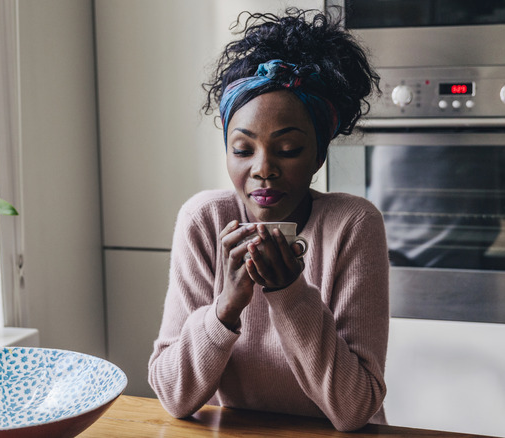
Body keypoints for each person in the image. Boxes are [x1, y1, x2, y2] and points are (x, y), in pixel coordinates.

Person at [147, 8, 389, 432]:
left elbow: (354, 410)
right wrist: (224, 309)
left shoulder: (353, 224)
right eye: (243, 149)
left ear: (318, 154)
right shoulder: (205, 221)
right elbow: (173, 396)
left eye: (289, 149)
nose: (263, 169)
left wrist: (290, 294)